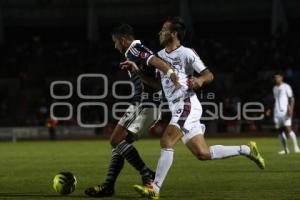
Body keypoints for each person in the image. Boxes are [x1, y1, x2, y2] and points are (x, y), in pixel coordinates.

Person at [125, 17, 265, 200]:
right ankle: (247, 150)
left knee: (166, 141)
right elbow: (158, 85)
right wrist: (136, 71)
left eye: (163, 29)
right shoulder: (158, 56)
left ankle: (155, 188)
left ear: (173, 34)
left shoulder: (186, 53)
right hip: (177, 106)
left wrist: (199, 80)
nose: (159, 33)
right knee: (203, 153)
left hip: (187, 103)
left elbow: (209, 75)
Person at [85, 24, 178, 197]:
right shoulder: (136, 52)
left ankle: (146, 173)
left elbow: (156, 62)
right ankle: (108, 186)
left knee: (115, 141)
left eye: (115, 42)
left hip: (144, 105)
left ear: (123, 40)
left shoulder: (134, 50)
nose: (115, 46)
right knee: (119, 146)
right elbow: (157, 84)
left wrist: (171, 73)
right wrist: (138, 72)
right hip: (147, 105)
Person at [266, 72, 300, 154]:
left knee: (288, 129)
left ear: (282, 78)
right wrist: (269, 109)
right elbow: (275, 100)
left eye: (278, 77)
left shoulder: (286, 86)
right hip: (276, 112)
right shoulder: (274, 88)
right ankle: (285, 150)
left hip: (285, 111)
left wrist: (291, 109)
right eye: (275, 77)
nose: (276, 79)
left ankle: (296, 148)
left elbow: (292, 98)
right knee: (280, 131)